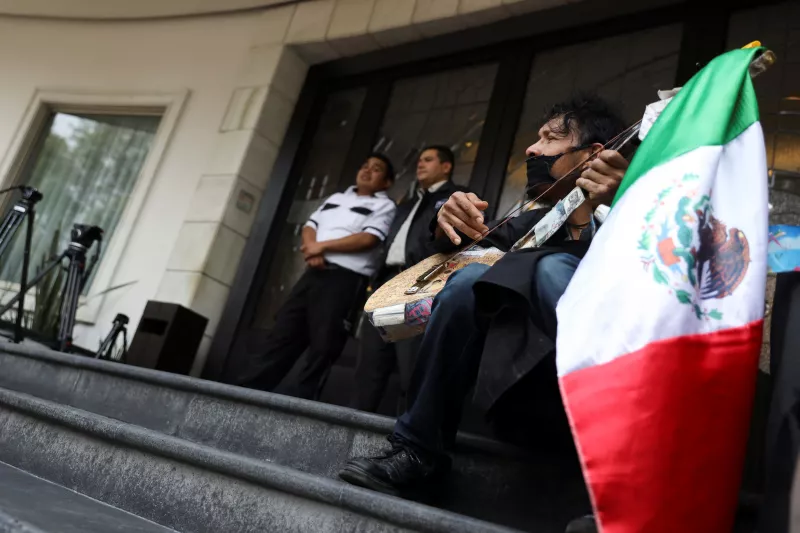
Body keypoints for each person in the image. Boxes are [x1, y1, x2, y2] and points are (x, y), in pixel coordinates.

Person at [338, 96, 630, 500]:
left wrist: (629, 202)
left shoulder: (634, 219)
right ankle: (420, 451)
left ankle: (620, 481)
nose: (532, 148)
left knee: (550, 269)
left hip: (593, 400)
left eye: (550, 139)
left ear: (592, 155)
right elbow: (461, 253)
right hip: (509, 384)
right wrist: (445, 222)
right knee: (468, 279)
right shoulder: (529, 223)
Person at [234, 154, 397, 401]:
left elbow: (368, 238)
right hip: (313, 273)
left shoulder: (385, 206)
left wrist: (322, 247)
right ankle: (246, 393)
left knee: (324, 345)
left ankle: (301, 404)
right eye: (364, 166)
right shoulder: (337, 198)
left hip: (344, 280)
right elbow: (310, 225)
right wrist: (312, 249)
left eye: (376, 169)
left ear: (386, 182)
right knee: (283, 333)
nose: (366, 171)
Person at [351, 145, 470, 413]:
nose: (420, 164)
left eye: (428, 160)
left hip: (420, 285)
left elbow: (456, 239)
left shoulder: (454, 197)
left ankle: (404, 441)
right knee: (369, 365)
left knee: (412, 367)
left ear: (446, 166)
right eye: (418, 160)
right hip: (385, 285)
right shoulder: (406, 203)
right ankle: (353, 425)